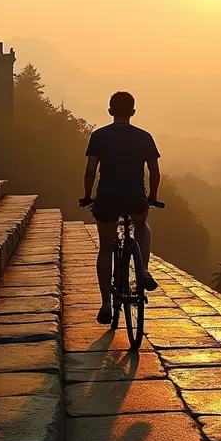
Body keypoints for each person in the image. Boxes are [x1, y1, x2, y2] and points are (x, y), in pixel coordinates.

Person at [81, 91, 161, 323]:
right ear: (133, 112)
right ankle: (143, 271)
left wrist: (87, 195)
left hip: (107, 198)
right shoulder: (144, 137)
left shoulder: (99, 136)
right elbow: (154, 172)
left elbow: (90, 170)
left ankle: (106, 305)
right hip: (135, 197)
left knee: (106, 248)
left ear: (110, 111)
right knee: (142, 225)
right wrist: (153, 196)